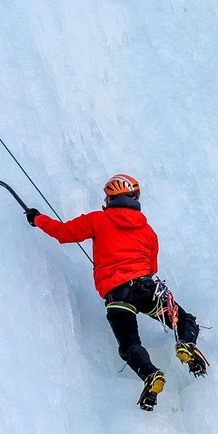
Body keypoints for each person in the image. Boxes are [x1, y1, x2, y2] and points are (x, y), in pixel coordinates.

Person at [25, 174, 208, 410]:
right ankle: (185, 343)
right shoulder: (148, 231)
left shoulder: (98, 219)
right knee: (184, 319)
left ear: (112, 198)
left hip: (118, 295)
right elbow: (152, 267)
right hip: (148, 290)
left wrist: (37, 218)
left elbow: (63, 232)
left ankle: (150, 374)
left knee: (130, 344)